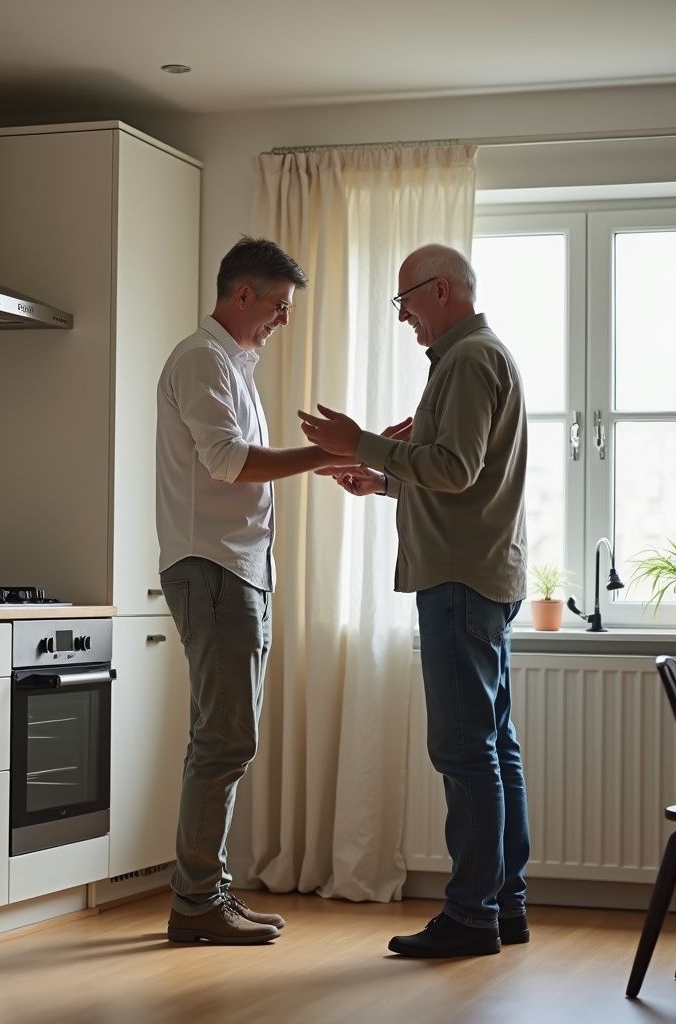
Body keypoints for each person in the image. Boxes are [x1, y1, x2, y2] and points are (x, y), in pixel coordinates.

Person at [298, 243, 530, 959]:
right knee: (495, 749)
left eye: (405, 303)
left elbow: (455, 471)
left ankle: (470, 916)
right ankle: (503, 904)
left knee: (465, 753)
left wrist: (362, 444)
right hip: (482, 574)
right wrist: (386, 483)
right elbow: (462, 474)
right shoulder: (480, 355)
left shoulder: (466, 359)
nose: (402, 318)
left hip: (459, 582)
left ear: (441, 291)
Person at [157, 236, 356, 945]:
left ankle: (203, 897)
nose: (283, 320)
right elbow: (231, 463)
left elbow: (242, 467)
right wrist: (335, 451)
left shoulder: (229, 364)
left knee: (225, 740)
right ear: (244, 296)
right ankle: (196, 903)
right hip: (213, 569)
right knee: (223, 741)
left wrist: (330, 458)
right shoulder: (202, 360)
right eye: (279, 306)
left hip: (233, 569)